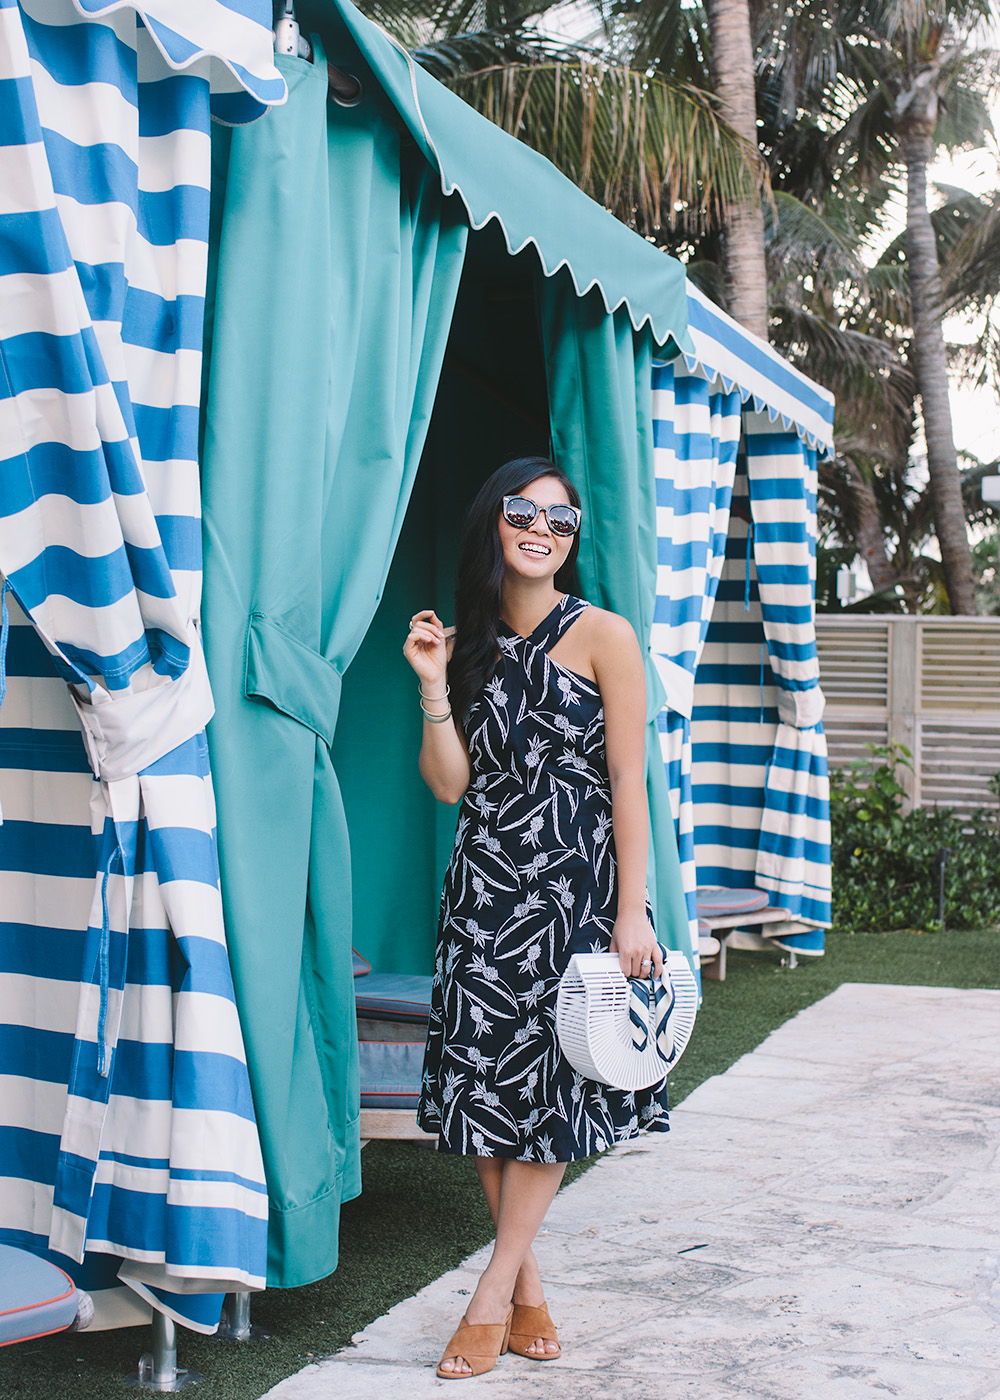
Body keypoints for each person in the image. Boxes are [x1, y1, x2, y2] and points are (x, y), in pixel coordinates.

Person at [403, 457, 668, 1380]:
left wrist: (631, 911)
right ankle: (528, 1293)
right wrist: (434, 683)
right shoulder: (466, 639)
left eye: (561, 518)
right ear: (496, 519)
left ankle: (488, 1295)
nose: (542, 528)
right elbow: (448, 787)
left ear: (575, 535)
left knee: (549, 1103)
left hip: (574, 898)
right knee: (486, 1098)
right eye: (524, 510)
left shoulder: (604, 635)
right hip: (483, 895)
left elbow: (630, 783)